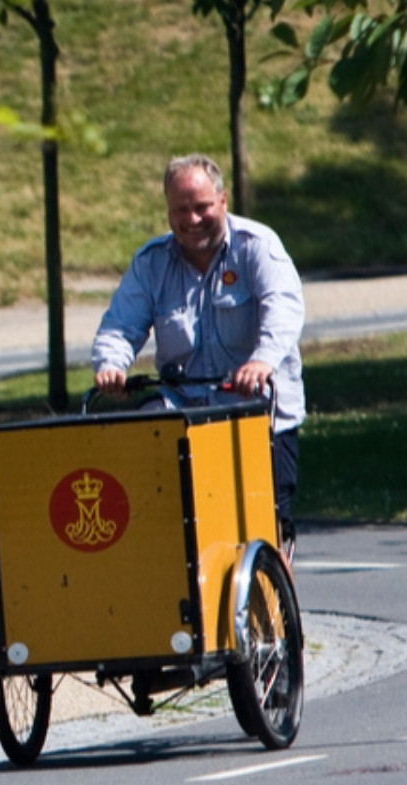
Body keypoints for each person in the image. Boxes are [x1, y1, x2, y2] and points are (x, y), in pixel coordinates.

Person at [91, 154, 306, 550]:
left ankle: (275, 585)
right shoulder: (151, 263)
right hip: (184, 416)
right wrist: (111, 365)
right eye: (180, 210)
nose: (192, 219)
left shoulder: (257, 247)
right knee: (162, 518)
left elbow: (284, 310)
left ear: (223, 201)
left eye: (202, 207)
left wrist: (261, 361)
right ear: (168, 210)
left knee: (266, 530)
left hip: (256, 417)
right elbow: (121, 325)